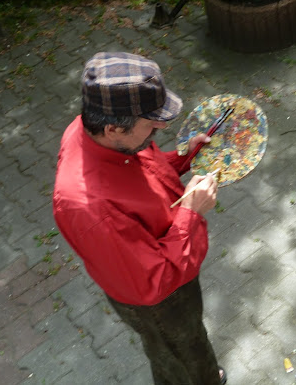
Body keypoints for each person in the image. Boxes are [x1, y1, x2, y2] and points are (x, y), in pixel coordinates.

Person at [53, 52, 227, 385]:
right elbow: (153, 282)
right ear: (114, 129)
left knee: (179, 345)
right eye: (151, 124)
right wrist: (190, 213)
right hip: (159, 297)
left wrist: (185, 156)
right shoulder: (86, 207)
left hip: (166, 260)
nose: (161, 128)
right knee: (183, 350)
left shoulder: (98, 132)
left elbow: (144, 167)